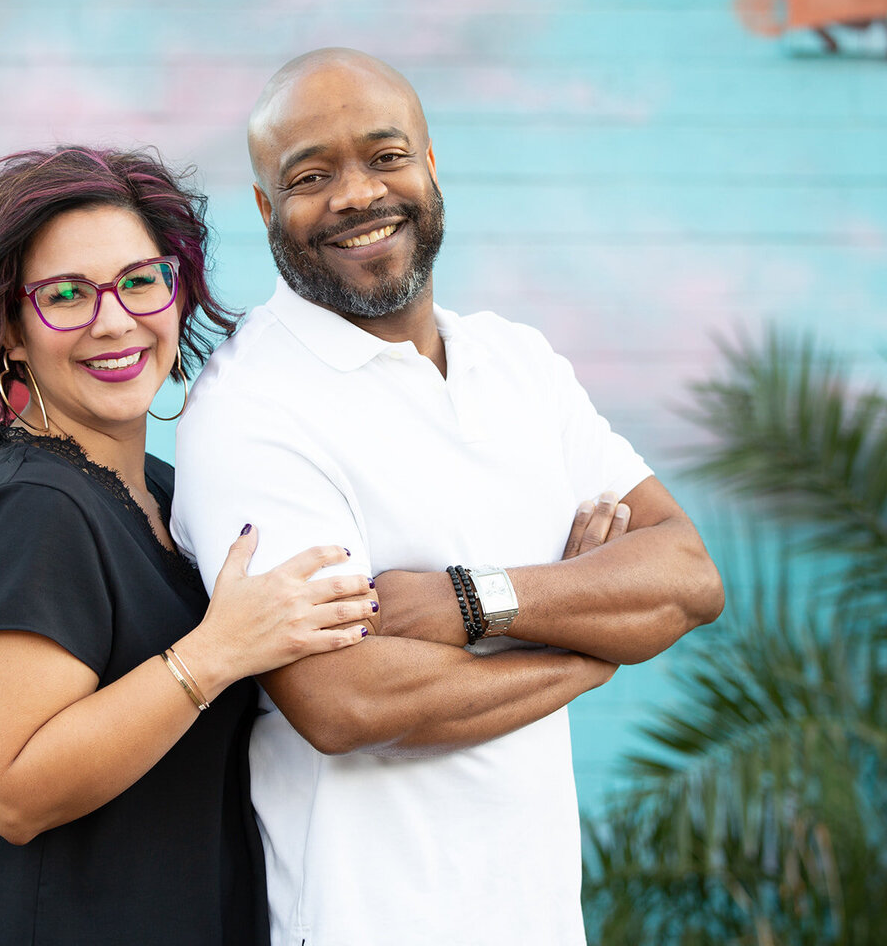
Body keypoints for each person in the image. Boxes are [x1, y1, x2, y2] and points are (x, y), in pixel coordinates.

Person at [170, 50, 726, 946]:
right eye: (312, 175)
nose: (357, 194)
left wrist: (474, 600)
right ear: (268, 208)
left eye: (385, 156)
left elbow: (687, 575)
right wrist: (591, 646)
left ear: (430, 165)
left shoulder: (518, 364)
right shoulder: (250, 409)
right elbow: (344, 701)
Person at [0, 146, 376, 946]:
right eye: (66, 296)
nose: (115, 320)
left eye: (139, 280)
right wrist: (211, 657)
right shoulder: (34, 512)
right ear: (12, 333)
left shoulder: (161, 487)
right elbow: (14, 792)